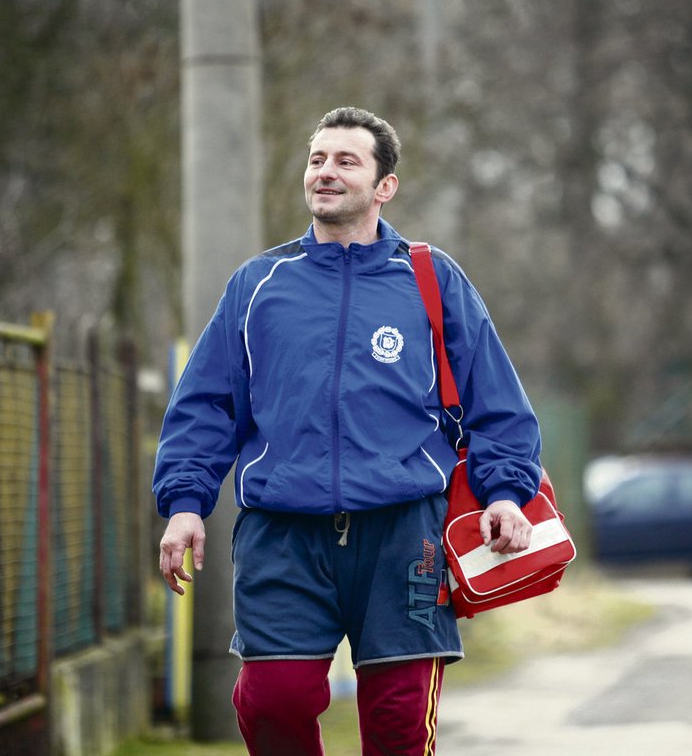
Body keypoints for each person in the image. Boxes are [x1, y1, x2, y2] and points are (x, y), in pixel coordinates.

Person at [153, 106, 542, 755]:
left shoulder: (430, 278)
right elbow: (205, 407)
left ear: (384, 185)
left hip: (404, 535)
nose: (325, 172)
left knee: (397, 727)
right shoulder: (258, 285)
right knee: (274, 702)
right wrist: (185, 505)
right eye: (317, 159)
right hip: (282, 535)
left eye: (345, 160)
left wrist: (505, 492)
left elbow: (495, 403)